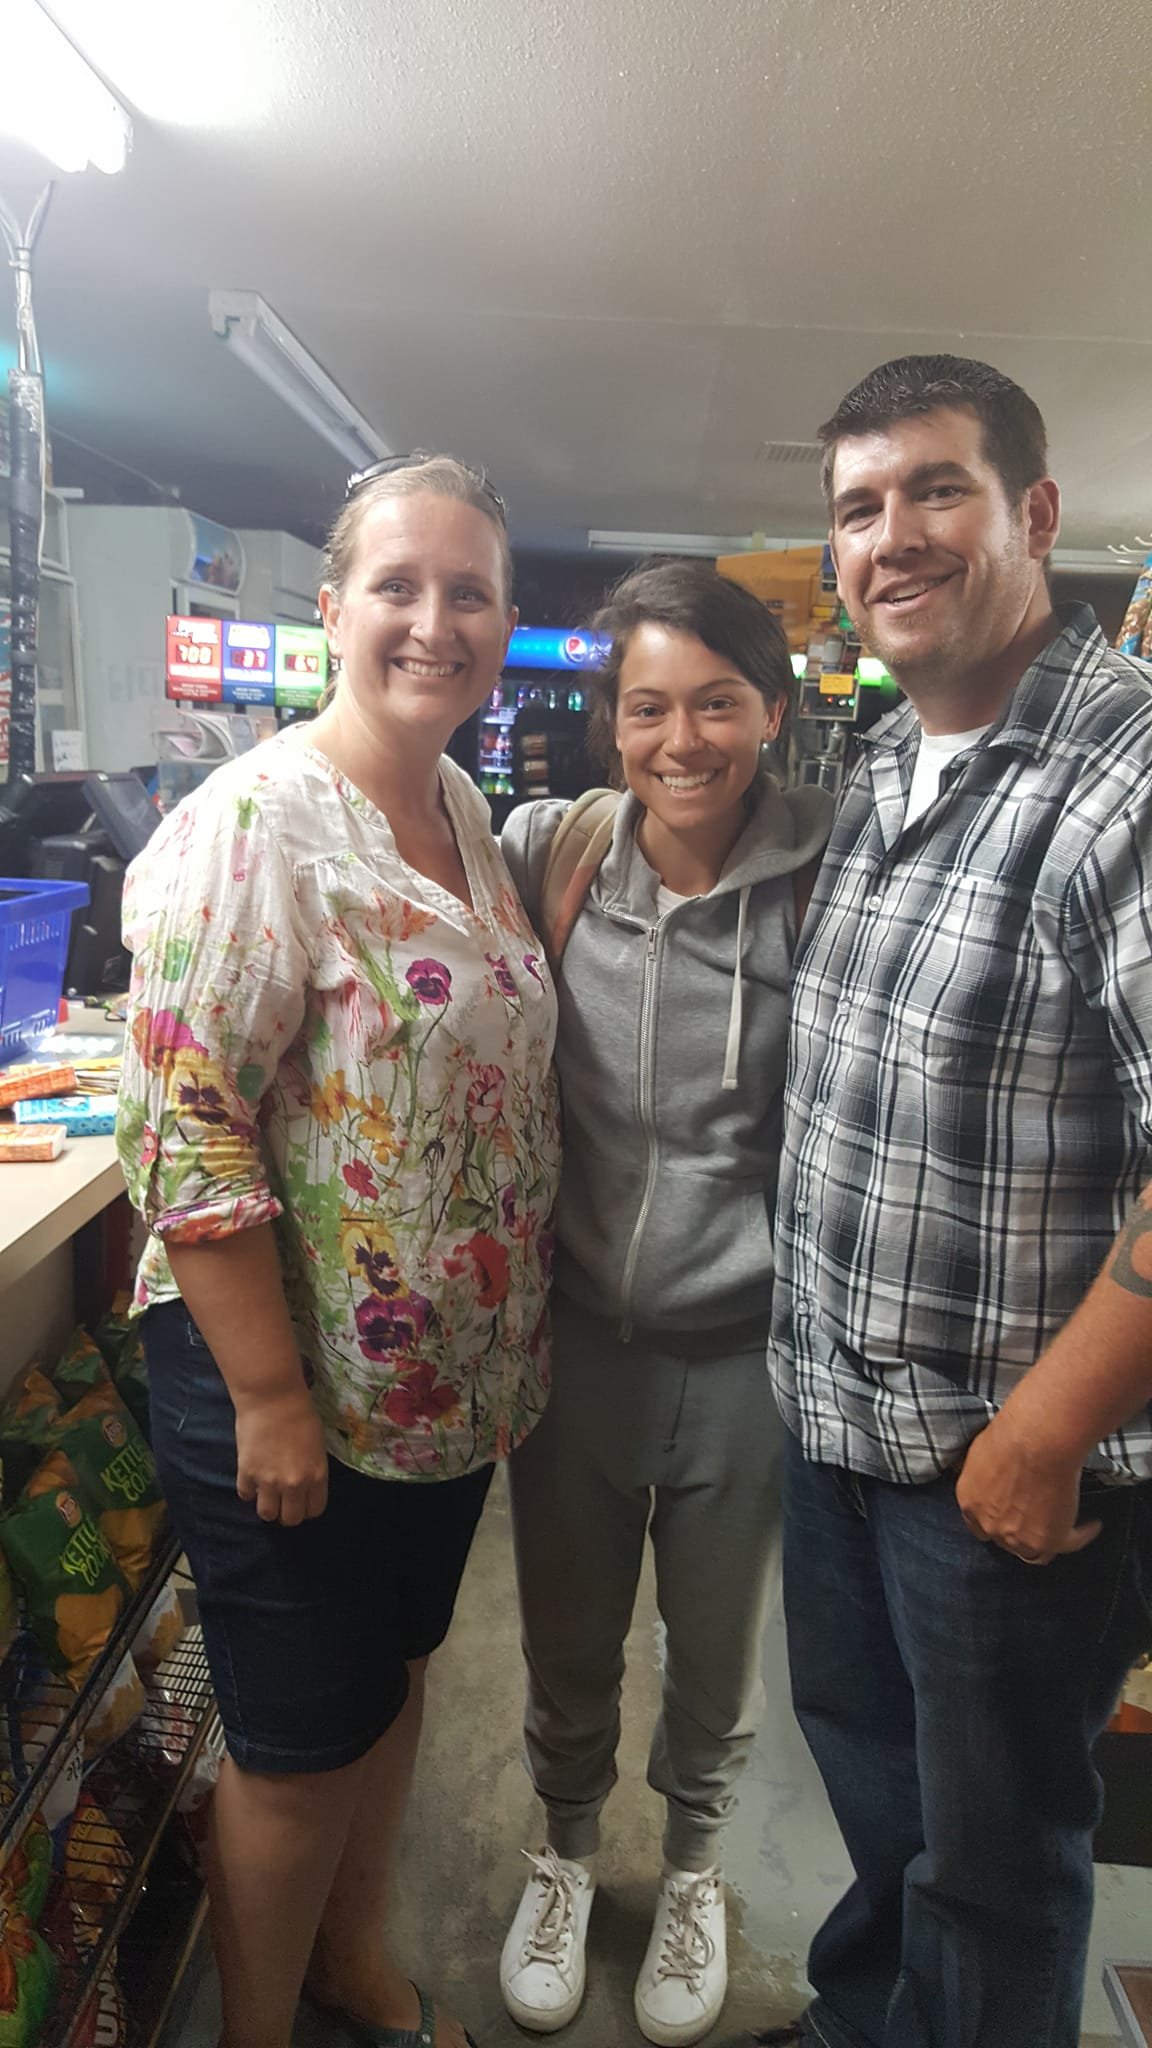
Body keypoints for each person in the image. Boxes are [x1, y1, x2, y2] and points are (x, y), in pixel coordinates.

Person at [116, 454, 561, 2048]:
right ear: (331, 609)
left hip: (439, 1395)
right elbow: (183, 1126)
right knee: (296, 1748)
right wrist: (269, 1399)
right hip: (293, 1393)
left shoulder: (456, 806)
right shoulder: (254, 822)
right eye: (400, 585)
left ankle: (348, 1963)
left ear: (507, 620)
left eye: (470, 592)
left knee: (392, 1683)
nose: (434, 622)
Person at [764, 356, 1152, 2048]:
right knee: (880, 1807)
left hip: (1000, 1481)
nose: (892, 536)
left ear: (1036, 518)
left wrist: (1041, 1436)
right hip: (837, 1430)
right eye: (860, 507)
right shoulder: (883, 769)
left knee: (994, 1868)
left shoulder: (1119, 787)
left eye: (937, 490)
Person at [498, 560, 833, 2047]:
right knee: (568, 1640)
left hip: (747, 1352)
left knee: (715, 1649)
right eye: (648, 707)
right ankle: (564, 1855)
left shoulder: (837, 866)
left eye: (716, 702)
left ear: (772, 708)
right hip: (573, 1345)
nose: (680, 740)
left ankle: (693, 1872)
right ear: (609, 721)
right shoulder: (547, 852)